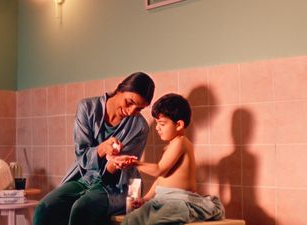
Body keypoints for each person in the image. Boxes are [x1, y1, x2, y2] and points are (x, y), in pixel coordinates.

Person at [32, 72, 155, 225]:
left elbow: (124, 169)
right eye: (129, 102)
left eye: (138, 109)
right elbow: (81, 155)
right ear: (119, 90)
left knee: (83, 207)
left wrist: (115, 162)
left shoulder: (140, 127)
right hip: (83, 178)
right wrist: (101, 149)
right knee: (44, 208)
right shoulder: (87, 108)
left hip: (118, 185)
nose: (131, 112)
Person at [116, 93, 225, 225]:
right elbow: (161, 179)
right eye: (156, 123)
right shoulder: (170, 146)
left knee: (159, 221)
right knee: (132, 219)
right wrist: (145, 199)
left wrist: (135, 163)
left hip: (178, 201)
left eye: (162, 124)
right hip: (161, 200)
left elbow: (159, 170)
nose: (157, 128)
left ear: (178, 125)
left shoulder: (181, 143)